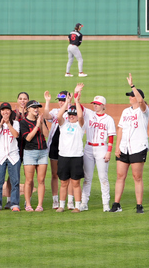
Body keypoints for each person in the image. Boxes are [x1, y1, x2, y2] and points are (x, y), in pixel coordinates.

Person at [111, 74, 149, 214]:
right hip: (124, 148)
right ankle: (116, 204)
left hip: (138, 147)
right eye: (130, 96)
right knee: (120, 176)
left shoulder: (144, 111)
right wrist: (117, 147)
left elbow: (141, 101)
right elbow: (120, 129)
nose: (130, 98)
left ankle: (139, 205)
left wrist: (133, 86)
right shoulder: (125, 111)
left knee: (137, 177)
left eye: (132, 96)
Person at [81, 94, 116, 212]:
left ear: (103, 105)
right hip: (88, 148)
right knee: (87, 177)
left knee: (103, 178)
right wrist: (77, 95)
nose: (95, 106)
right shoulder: (89, 114)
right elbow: (79, 106)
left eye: (97, 104)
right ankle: (84, 203)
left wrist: (109, 151)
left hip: (102, 148)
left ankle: (105, 204)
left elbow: (111, 137)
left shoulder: (108, 119)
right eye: (94, 104)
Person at [55, 83, 86, 212]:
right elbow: (59, 116)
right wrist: (67, 103)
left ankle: (77, 206)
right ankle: (62, 205)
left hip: (76, 156)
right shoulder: (63, 124)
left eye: (73, 114)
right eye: (70, 114)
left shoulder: (80, 126)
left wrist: (76, 102)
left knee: (75, 182)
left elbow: (81, 116)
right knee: (63, 182)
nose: (71, 116)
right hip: (63, 156)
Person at [20, 96, 51, 211]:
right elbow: (28, 138)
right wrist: (37, 125)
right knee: (29, 180)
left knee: (41, 180)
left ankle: (39, 205)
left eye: (37, 107)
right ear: (28, 109)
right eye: (34, 107)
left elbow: (46, 134)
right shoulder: (23, 122)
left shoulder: (41, 119)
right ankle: (28, 204)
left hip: (42, 152)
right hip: (30, 153)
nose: (36, 109)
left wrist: (41, 123)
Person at [0, 102, 22, 211]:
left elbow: (16, 135)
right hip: (0, 156)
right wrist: (1, 124)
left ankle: (14, 204)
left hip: (13, 155)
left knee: (15, 182)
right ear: (0, 112)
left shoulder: (15, 123)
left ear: (10, 111)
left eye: (7, 109)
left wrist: (8, 123)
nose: (5, 112)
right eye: (3, 110)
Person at [47, 91, 66, 209]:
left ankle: (69, 200)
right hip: (54, 146)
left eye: (63, 100)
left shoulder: (72, 112)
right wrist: (47, 102)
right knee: (54, 174)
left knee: (66, 175)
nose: (61, 102)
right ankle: (55, 200)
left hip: (67, 148)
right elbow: (46, 116)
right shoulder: (55, 111)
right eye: (59, 100)